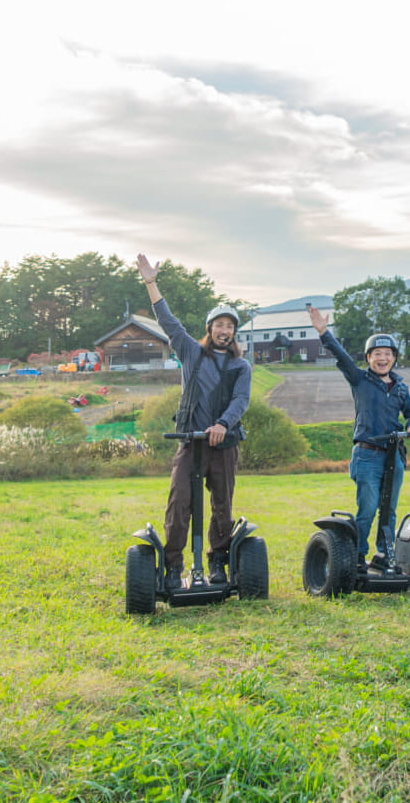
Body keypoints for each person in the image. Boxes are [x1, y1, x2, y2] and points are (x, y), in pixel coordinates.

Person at [137, 253, 252, 590]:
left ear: (233, 333)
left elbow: (240, 400)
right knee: (179, 502)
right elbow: (169, 322)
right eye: (219, 324)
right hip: (191, 441)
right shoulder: (190, 352)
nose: (225, 330)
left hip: (223, 444)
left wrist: (223, 425)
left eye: (230, 326)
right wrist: (151, 284)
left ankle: (218, 563)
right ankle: (172, 568)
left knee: (222, 506)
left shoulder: (240, 367)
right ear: (210, 328)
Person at [308, 305, 410, 570]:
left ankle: (384, 555)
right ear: (369, 357)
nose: (383, 358)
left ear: (394, 358)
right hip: (367, 455)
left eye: (388, 354)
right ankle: (357, 557)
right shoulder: (359, 379)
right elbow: (341, 356)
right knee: (368, 509)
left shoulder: (400, 387)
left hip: (394, 456)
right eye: (377, 354)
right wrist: (324, 333)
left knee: (389, 510)